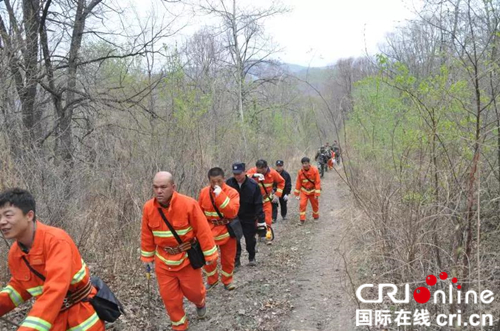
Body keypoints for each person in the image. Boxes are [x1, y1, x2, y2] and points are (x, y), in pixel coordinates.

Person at [0, 188, 105, 330]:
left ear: (29, 215)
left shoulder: (56, 241)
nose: (2, 222)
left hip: (81, 319)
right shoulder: (15, 253)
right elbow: (18, 288)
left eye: (8, 215)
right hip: (53, 321)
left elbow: (55, 290)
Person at [141, 172, 218, 331]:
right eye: (155, 187)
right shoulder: (149, 208)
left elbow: (203, 230)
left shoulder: (188, 204)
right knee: (170, 299)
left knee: (195, 293)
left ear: (173, 187)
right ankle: (179, 326)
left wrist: (210, 254)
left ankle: (200, 302)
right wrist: (147, 257)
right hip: (163, 261)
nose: (159, 191)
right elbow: (146, 234)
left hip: (187, 259)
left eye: (163, 187)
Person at [198, 167, 240, 291]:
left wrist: (220, 195)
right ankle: (212, 280)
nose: (216, 184)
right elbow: (199, 213)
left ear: (224, 179)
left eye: (219, 181)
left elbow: (232, 212)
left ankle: (227, 281)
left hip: (227, 229)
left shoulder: (232, 192)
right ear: (209, 181)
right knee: (209, 259)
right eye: (213, 182)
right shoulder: (204, 192)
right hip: (209, 230)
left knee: (228, 258)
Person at [226, 162, 265, 267]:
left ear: (244, 172)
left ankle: (252, 257)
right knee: (235, 240)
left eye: (239, 173)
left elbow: (258, 204)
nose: (237, 176)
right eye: (235, 174)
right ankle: (236, 261)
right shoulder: (228, 184)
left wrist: (261, 220)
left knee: (250, 239)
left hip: (249, 217)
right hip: (234, 218)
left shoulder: (253, 185)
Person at [247, 160, 285, 244]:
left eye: (260, 170)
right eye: (257, 170)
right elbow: (244, 177)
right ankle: (258, 235)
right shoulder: (253, 171)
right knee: (255, 220)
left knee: (268, 219)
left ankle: (268, 237)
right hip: (254, 202)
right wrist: (254, 175)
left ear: (265, 168)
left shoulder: (273, 173)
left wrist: (277, 195)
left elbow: (281, 182)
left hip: (266, 200)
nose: (258, 171)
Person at [294, 157, 321, 224]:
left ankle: (316, 216)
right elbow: (298, 183)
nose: (304, 165)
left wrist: (317, 194)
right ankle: (302, 219)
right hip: (304, 191)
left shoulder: (315, 170)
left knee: (315, 205)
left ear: (309, 163)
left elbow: (317, 182)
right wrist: (297, 194)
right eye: (303, 163)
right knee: (302, 204)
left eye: (306, 163)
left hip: (313, 191)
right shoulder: (300, 172)